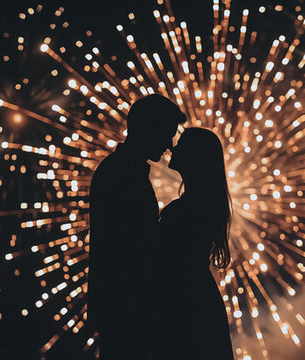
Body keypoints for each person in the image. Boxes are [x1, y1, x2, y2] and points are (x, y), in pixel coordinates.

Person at [88, 94, 186, 359]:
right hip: (127, 308)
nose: (169, 145)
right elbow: (128, 249)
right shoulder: (122, 174)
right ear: (149, 128)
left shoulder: (120, 169)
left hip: (123, 307)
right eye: (167, 134)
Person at [157, 127, 235, 359]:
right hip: (198, 300)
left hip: (187, 305)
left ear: (194, 157)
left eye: (181, 145)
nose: (173, 148)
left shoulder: (185, 210)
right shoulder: (204, 205)